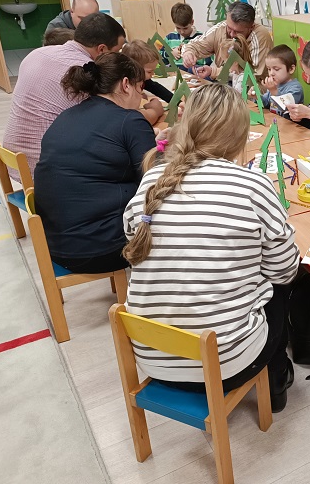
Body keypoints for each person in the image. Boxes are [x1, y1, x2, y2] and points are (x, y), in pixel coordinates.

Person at [122, 84, 299, 412]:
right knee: (278, 289)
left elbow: (134, 235)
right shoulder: (253, 185)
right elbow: (284, 271)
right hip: (225, 364)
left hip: (151, 358)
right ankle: (276, 384)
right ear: (240, 136)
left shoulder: (152, 180)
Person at [33, 53, 157, 274]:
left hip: (55, 246)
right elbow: (154, 182)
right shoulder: (130, 120)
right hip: (101, 249)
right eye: (140, 88)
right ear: (126, 85)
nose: (141, 98)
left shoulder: (67, 115)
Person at [3, 12, 128, 179]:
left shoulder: (36, 53)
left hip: (13, 158)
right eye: (117, 51)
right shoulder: (85, 72)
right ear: (102, 49)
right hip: (46, 170)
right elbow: (116, 122)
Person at [181, 1, 272, 81]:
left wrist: (214, 72)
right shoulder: (221, 28)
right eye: (229, 28)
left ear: (251, 27)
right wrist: (188, 53)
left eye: (238, 32)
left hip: (250, 88)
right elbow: (193, 45)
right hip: (224, 80)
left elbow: (251, 76)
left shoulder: (260, 37)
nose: (232, 34)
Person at [121, 39, 174, 109]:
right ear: (134, 69)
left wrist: (176, 102)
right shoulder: (124, 86)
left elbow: (157, 89)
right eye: (149, 72)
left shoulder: (142, 79)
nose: (153, 74)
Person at [260, 45, 304, 118]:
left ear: (291, 69)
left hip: (289, 123)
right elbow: (266, 103)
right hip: (274, 121)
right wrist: (257, 96)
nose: (271, 73)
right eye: (269, 69)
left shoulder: (295, 88)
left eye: (276, 69)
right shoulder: (274, 85)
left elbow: (286, 108)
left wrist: (274, 91)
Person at [164, 2, 210, 68]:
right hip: (174, 73)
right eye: (178, 28)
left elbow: (208, 62)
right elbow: (159, 57)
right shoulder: (169, 38)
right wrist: (169, 53)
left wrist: (192, 57)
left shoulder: (201, 38)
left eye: (185, 28)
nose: (182, 32)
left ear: (192, 22)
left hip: (192, 73)